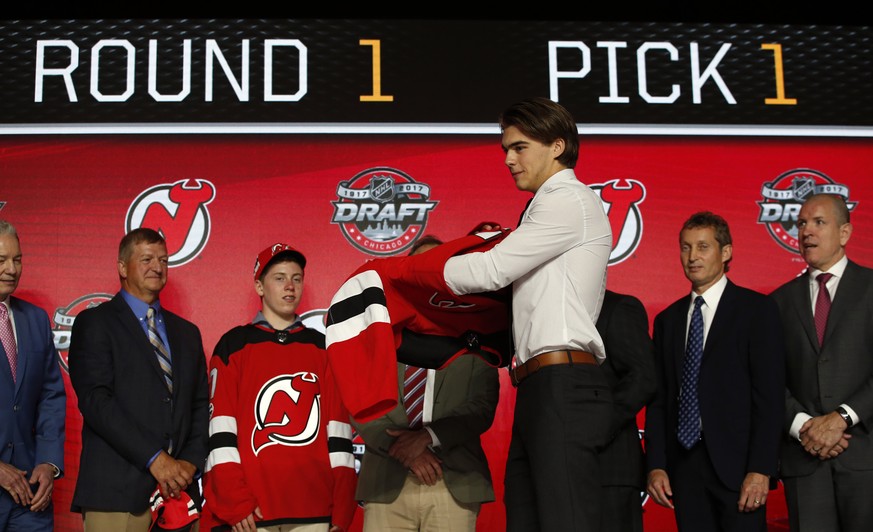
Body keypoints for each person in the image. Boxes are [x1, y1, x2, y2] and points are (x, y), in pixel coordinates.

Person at [442, 96, 614, 531]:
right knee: (528, 517)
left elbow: (493, 268)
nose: (508, 159)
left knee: (564, 522)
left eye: (519, 147)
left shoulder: (568, 200)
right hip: (542, 385)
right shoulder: (545, 205)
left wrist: (408, 275)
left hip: (563, 385)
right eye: (505, 149)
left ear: (557, 146)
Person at [644, 211, 785, 532]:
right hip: (684, 468)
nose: (692, 257)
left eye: (703, 247)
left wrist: (761, 469)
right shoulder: (668, 320)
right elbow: (660, 399)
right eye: (685, 247)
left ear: (726, 252)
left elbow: (770, 397)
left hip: (740, 470)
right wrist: (656, 465)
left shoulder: (757, 311)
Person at [201, 243, 357, 532]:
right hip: (253, 512)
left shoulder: (322, 347)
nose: (290, 286)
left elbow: (337, 431)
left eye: (297, 278)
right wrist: (235, 500)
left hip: (314, 508)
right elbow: (221, 430)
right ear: (259, 287)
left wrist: (343, 502)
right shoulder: (234, 345)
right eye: (279, 278)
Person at [354, 235, 500, 532]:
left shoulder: (477, 334)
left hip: (453, 482)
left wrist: (427, 437)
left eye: (439, 266)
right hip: (386, 482)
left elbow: (482, 406)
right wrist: (404, 447)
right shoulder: (378, 330)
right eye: (422, 266)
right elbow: (359, 399)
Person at [68, 227, 209, 531]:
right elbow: (96, 401)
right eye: (146, 259)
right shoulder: (95, 323)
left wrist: (189, 463)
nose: (157, 267)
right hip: (115, 493)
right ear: (122, 267)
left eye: (163, 260)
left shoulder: (187, 333)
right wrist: (155, 459)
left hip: (179, 496)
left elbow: (200, 405)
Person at [770, 193, 873, 532]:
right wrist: (804, 426)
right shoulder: (778, 302)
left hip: (864, 458)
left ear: (844, 233)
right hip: (804, 458)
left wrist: (842, 418)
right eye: (801, 224)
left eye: (818, 222)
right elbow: (769, 379)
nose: (806, 232)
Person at [0, 220, 65, 531]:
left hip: (30, 497)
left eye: (18, 259)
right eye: (1, 260)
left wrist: (48, 463)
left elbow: (51, 396)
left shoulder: (36, 320)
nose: (12, 269)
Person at [595, 289, 656, 532]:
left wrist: (596, 427)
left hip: (612, 468)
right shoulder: (554, 310)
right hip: (562, 468)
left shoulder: (618, 307)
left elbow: (644, 377)